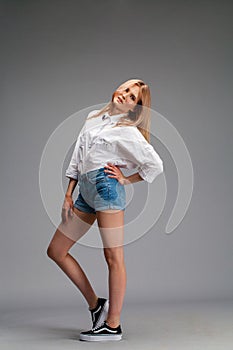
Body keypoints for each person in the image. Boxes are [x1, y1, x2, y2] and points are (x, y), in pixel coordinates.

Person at [46, 78, 164, 342]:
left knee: (113, 257)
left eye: (132, 97)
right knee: (56, 250)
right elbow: (78, 155)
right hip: (85, 191)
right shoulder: (92, 117)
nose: (125, 95)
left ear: (135, 109)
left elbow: (154, 165)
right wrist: (69, 192)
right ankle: (97, 305)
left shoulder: (127, 130)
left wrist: (125, 179)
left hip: (106, 188)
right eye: (125, 89)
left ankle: (113, 325)